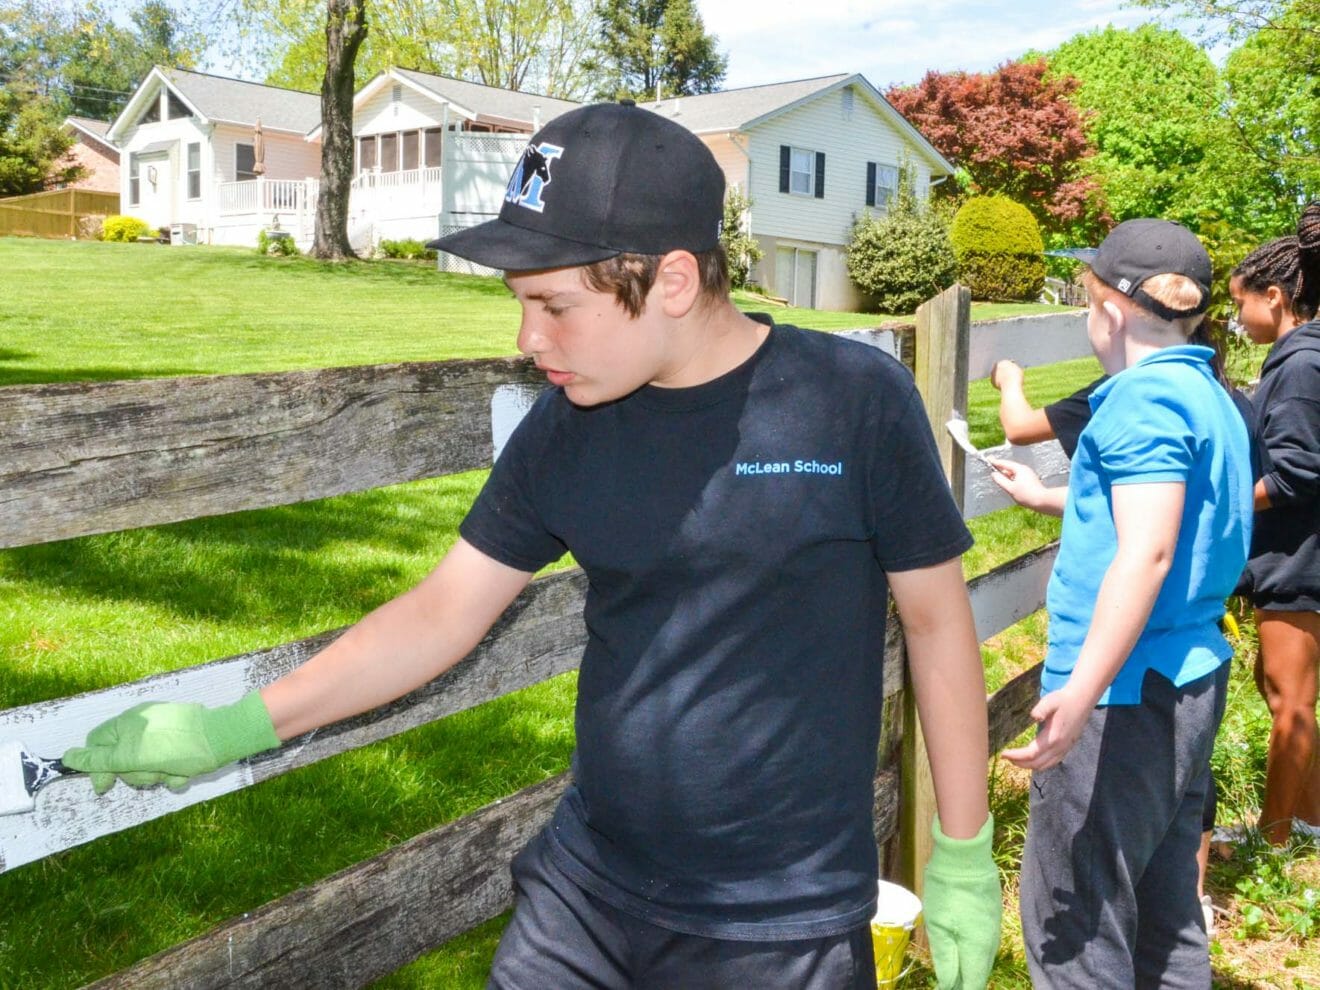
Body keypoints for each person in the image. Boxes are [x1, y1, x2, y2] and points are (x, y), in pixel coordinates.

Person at [62, 103, 1002, 989]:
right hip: (585, 896)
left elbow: (935, 623)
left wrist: (960, 850)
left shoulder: (852, 400)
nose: (526, 337)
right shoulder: (566, 427)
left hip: (778, 926)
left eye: (554, 305)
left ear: (672, 279)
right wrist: (229, 727)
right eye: (520, 302)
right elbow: (439, 614)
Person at [989, 219, 1253, 987]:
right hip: (1190, 676)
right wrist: (1051, 498)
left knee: (1075, 922)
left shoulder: (1138, 400)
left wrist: (1079, 693)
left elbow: (1149, 550)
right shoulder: (1204, 393)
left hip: (1122, 691)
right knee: (1166, 913)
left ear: (1105, 307)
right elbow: (1167, 508)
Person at [1228, 202, 1320, 847]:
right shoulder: (1298, 359)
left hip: (1302, 554)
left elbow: (1295, 472)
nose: (1237, 319)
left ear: (1276, 296)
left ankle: (1275, 839)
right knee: (1279, 686)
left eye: (1241, 305)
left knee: (1290, 699)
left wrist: (1219, 502)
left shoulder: (1299, 364)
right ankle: (1310, 821)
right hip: (1293, 552)